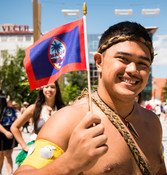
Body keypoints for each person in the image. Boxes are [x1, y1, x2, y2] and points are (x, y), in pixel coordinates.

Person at [14, 21, 166, 175]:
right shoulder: (69, 120)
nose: (133, 70)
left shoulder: (152, 122)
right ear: (99, 62)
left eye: (143, 64)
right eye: (123, 59)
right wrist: (69, 162)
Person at [11, 81, 65, 153]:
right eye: (46, 87)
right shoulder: (34, 108)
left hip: (59, 151)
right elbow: (14, 127)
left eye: (52, 87)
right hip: (38, 152)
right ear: (42, 89)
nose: (49, 89)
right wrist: (25, 146)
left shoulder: (63, 109)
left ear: (57, 90)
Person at [0, 95, 18, 175]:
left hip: (10, 131)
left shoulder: (12, 110)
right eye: (10, 100)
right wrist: (5, 132)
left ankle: (10, 173)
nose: (11, 102)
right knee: (0, 155)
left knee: (8, 154)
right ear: (5, 101)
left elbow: (16, 120)